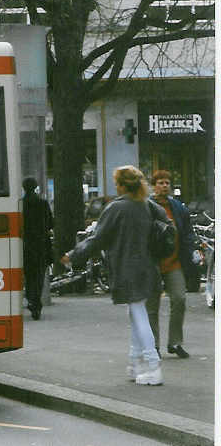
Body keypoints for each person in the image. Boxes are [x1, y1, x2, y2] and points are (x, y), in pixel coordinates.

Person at [61, 165, 168, 385]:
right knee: (137, 314)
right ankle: (135, 364)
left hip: (127, 269)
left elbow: (97, 239)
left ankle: (152, 364)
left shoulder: (116, 208)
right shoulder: (148, 205)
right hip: (150, 267)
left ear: (121, 185)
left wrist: (72, 255)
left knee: (138, 315)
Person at [146, 170, 197, 359]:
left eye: (167, 182)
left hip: (174, 262)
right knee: (152, 306)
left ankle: (175, 342)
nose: (164, 185)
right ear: (153, 185)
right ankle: (154, 346)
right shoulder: (147, 206)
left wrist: (190, 250)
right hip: (152, 264)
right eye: (160, 182)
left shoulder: (178, 207)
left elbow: (188, 232)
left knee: (179, 299)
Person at [22, 177, 53, 320]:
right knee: (39, 275)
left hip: (26, 245)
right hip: (41, 245)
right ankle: (36, 301)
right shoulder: (43, 203)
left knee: (29, 275)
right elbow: (51, 223)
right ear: (35, 187)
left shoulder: (21, 204)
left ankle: (31, 299)